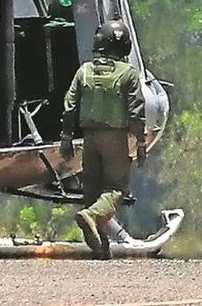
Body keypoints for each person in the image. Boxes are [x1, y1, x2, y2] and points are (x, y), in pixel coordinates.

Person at [59, 20, 146, 258]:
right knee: (117, 188)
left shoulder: (84, 70)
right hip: (115, 138)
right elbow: (136, 111)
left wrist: (66, 138)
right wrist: (140, 142)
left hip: (89, 139)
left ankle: (100, 244)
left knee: (93, 190)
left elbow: (70, 106)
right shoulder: (128, 74)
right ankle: (91, 216)